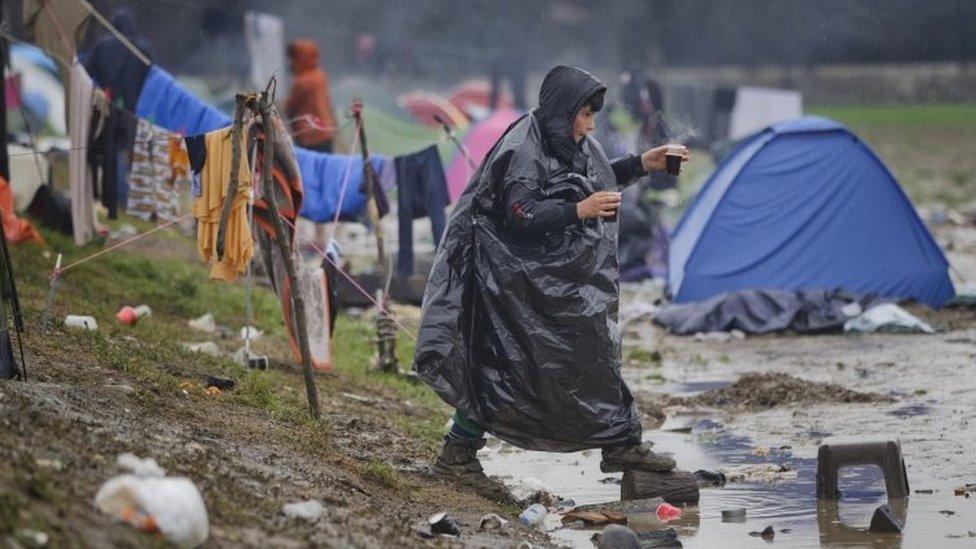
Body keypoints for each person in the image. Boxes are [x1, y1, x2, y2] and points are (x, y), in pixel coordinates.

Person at [414, 65, 689, 502]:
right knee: (503, 365)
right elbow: (519, 213)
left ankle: (621, 443)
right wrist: (579, 211)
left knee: (589, 351)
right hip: (505, 279)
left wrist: (641, 163)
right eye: (585, 114)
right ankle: (458, 456)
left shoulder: (564, 138)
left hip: (548, 279)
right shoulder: (524, 147)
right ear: (564, 112)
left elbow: (590, 178)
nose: (591, 125)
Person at [285, 40, 337, 153]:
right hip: (326, 130)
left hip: (309, 135)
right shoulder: (320, 76)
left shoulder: (303, 82)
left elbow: (290, 107)